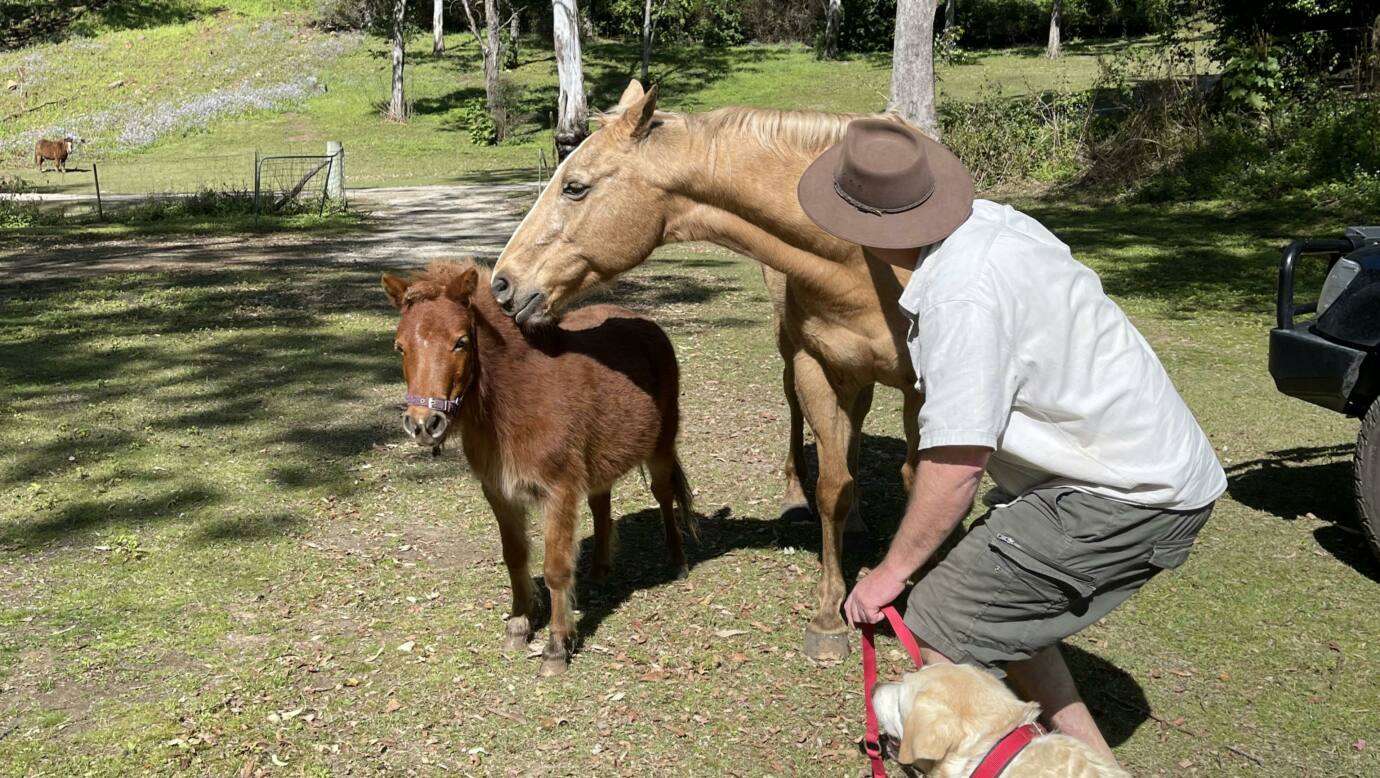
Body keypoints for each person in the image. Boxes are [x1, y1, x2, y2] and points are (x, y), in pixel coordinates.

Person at [797, 118, 1226, 763]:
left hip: (1128, 494)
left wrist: (889, 573)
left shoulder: (961, 296)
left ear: (866, 231)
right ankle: (1095, 768)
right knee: (997, 604)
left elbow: (957, 463)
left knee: (943, 622)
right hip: (1140, 469)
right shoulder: (991, 224)